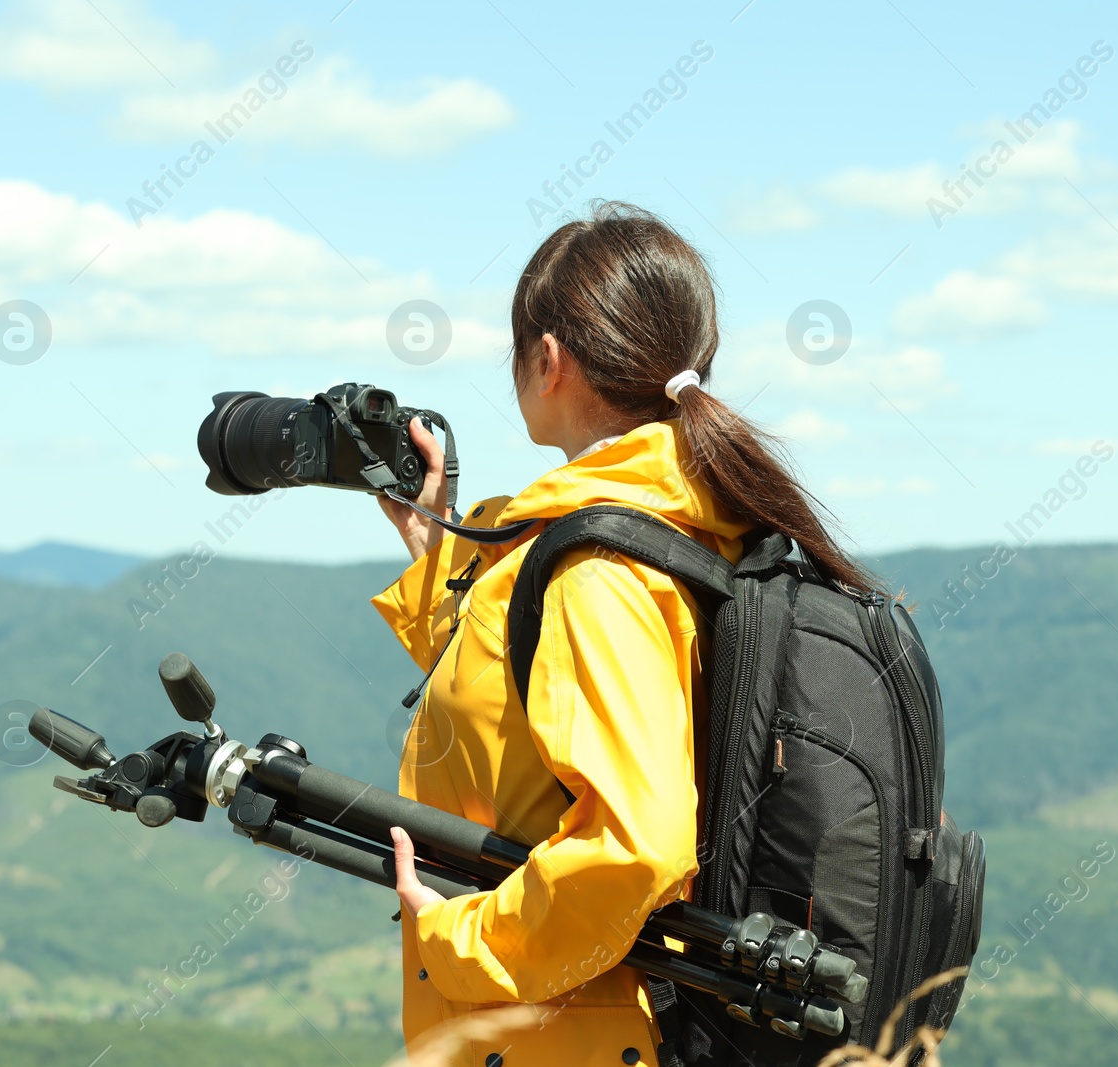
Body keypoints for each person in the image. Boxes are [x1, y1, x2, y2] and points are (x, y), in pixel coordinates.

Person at [371, 202, 871, 1066]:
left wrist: (463, 935)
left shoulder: (599, 567)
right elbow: (532, 697)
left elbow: (637, 845)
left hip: (575, 1034)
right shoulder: (685, 527)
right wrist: (437, 554)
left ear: (549, 358)